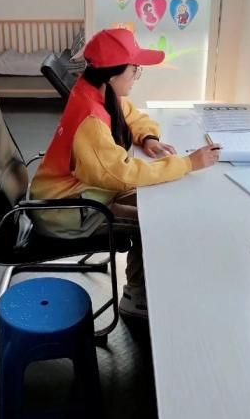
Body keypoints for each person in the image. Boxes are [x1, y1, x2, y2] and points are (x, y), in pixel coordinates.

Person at [30, 28, 219, 319]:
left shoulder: (95, 91)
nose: (136, 76)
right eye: (134, 70)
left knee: (160, 200)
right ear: (112, 75)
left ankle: (146, 286)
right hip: (64, 211)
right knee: (152, 219)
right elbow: (121, 174)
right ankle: (136, 296)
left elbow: (131, 116)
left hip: (82, 193)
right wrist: (187, 164)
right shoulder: (91, 119)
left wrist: (148, 137)